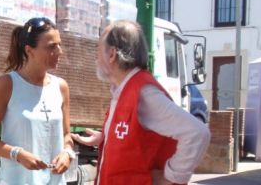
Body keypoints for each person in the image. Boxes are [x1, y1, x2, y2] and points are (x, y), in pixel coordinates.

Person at [71, 20, 210, 185]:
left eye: (99, 49)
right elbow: (136, 135)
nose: (96, 56)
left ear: (112, 54)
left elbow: (197, 132)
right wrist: (106, 137)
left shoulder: (143, 92)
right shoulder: (125, 88)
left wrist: (170, 177)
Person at [0, 17, 76, 185]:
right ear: (29, 50)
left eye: (59, 44)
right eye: (51, 46)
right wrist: (18, 154)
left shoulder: (61, 87)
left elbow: (66, 135)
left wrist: (67, 153)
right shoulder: (8, 84)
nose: (60, 51)